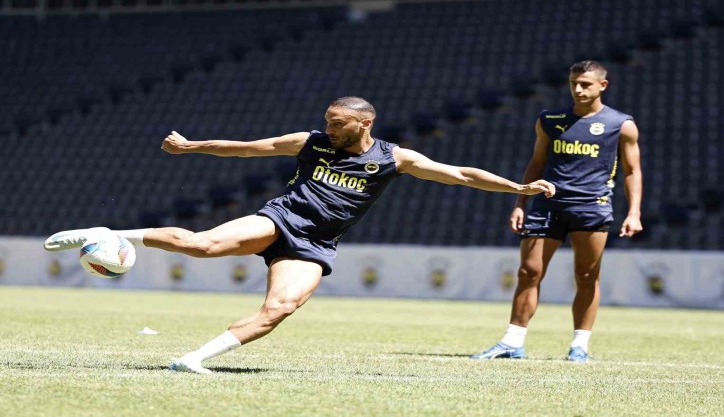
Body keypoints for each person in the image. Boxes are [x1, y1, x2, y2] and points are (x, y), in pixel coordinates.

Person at [45, 96, 555, 374]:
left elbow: (461, 173)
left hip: (316, 244)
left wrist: (517, 186)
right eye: (328, 123)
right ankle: (111, 232)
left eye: (338, 125)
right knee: (203, 245)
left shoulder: (393, 159)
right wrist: (189, 146)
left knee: (280, 310)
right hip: (281, 219)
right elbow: (247, 148)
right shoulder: (309, 142)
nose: (329, 130)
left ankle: (191, 360)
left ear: (364, 123)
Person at [470, 61, 643, 362]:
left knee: (587, 275)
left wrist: (634, 212)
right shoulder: (549, 119)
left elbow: (632, 170)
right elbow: (536, 163)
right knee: (529, 272)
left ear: (603, 85)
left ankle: (580, 346)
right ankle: (512, 342)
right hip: (547, 203)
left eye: (586, 84)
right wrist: (520, 202)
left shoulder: (621, 124)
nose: (578, 89)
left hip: (592, 206)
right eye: (574, 82)